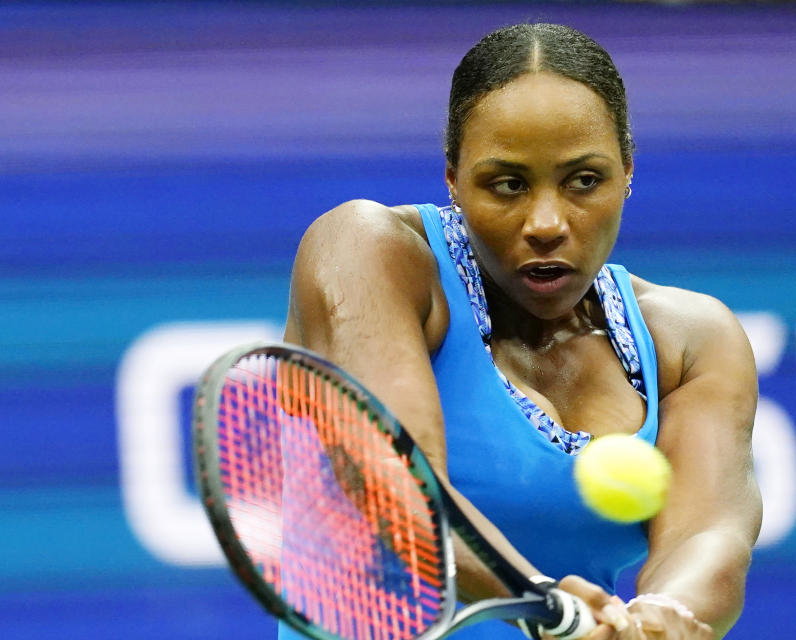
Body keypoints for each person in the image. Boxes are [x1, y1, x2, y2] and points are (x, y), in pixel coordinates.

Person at [280, 23, 761, 640]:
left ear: (628, 172)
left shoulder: (692, 340)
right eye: (507, 183)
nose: (546, 223)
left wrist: (661, 616)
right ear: (452, 178)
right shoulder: (366, 251)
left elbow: (710, 533)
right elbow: (399, 483)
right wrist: (544, 606)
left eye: (584, 180)